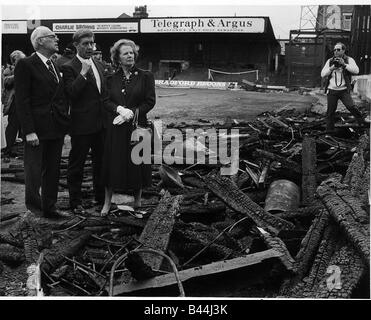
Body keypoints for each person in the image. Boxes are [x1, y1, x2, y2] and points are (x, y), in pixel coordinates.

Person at [14, 26, 70, 218]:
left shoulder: (54, 65)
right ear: (40, 41)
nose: (57, 39)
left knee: (52, 170)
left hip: (56, 128)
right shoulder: (25, 64)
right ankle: (35, 211)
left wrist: (64, 121)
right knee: (34, 171)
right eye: (52, 36)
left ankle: (50, 207)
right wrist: (28, 130)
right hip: (36, 129)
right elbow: (22, 100)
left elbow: (59, 98)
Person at [100, 39, 156, 215]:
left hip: (138, 126)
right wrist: (118, 109)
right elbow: (105, 100)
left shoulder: (146, 76)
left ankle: (137, 200)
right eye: (126, 53)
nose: (130, 55)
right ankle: (107, 202)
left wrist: (132, 112)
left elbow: (150, 101)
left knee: (137, 163)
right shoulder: (110, 78)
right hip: (116, 128)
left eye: (132, 52)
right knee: (112, 164)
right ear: (118, 57)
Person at [61, 29, 109, 215]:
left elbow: (103, 95)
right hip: (81, 125)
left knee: (100, 164)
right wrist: (82, 73)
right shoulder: (68, 66)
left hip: (101, 125)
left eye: (92, 43)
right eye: (85, 44)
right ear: (76, 45)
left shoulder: (99, 64)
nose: (90, 47)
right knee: (76, 165)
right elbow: (71, 93)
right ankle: (75, 201)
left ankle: (100, 197)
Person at [321, 42, 366, 132]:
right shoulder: (330, 61)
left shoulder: (349, 60)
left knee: (351, 106)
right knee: (330, 112)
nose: (336, 52)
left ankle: (362, 123)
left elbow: (356, 71)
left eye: (338, 50)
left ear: (343, 51)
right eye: (334, 50)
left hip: (344, 90)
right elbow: (322, 74)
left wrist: (344, 65)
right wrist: (332, 68)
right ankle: (329, 132)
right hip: (332, 90)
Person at [2, 50, 26, 158]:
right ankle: (7, 149)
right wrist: (18, 74)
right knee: (13, 126)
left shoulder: (25, 68)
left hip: (24, 100)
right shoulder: (10, 69)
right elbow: (5, 82)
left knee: (24, 126)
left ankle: (20, 148)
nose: (22, 61)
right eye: (19, 60)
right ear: (14, 61)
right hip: (14, 102)